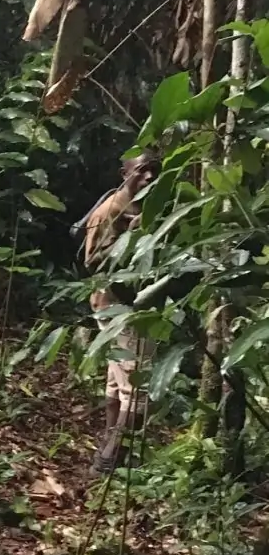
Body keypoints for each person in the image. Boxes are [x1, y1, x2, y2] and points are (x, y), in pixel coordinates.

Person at [82, 152, 160, 475]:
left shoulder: (142, 208)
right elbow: (93, 263)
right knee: (137, 386)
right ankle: (109, 459)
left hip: (131, 305)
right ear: (124, 173)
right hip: (116, 307)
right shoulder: (109, 211)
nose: (149, 177)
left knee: (117, 382)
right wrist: (132, 237)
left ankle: (108, 448)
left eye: (155, 171)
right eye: (142, 171)